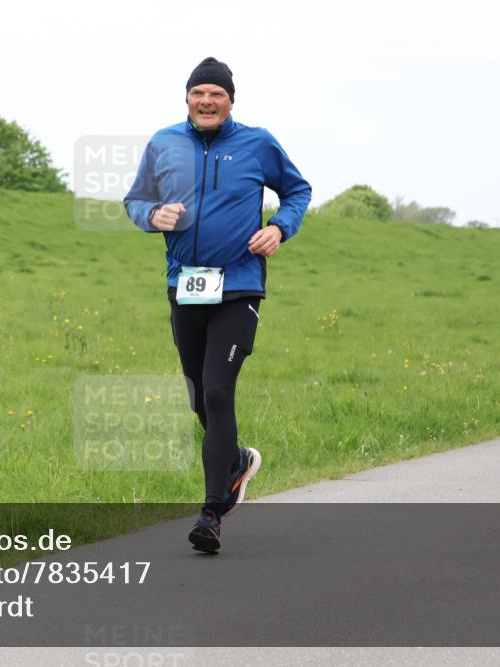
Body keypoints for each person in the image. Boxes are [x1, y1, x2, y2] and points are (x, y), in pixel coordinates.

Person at [124, 57, 312, 553]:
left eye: (217, 94)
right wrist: (152, 215)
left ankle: (212, 512)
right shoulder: (163, 142)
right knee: (195, 394)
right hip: (185, 285)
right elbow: (135, 199)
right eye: (198, 93)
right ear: (186, 98)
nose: (207, 101)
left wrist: (278, 227)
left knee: (215, 390)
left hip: (240, 284)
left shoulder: (257, 142)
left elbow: (297, 190)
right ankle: (236, 461)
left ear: (231, 101)